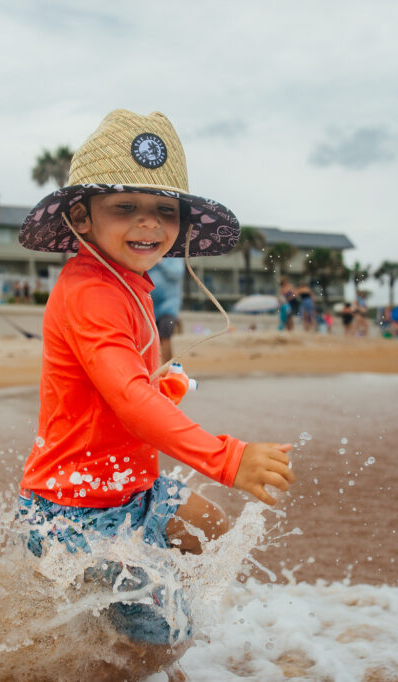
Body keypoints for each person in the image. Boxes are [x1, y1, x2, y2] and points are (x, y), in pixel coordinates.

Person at [16, 109, 295, 655]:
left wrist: (158, 385)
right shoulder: (92, 292)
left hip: (131, 488)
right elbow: (127, 397)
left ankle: (131, 625)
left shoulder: (125, 280)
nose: (148, 224)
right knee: (157, 644)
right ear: (82, 216)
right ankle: (142, 641)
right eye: (125, 208)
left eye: (164, 212)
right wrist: (227, 458)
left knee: (207, 528)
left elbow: (118, 387)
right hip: (77, 511)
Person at [149, 258, 185, 364]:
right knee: (150, 338)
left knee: (165, 335)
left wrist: (161, 261)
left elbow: (177, 273)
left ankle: (167, 366)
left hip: (169, 305)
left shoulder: (174, 257)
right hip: (150, 306)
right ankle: (153, 366)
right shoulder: (148, 256)